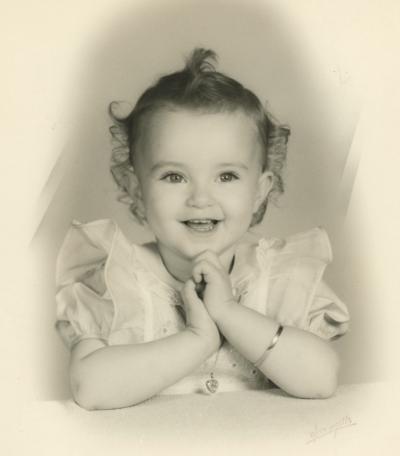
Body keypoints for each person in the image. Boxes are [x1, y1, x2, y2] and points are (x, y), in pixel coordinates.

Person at [55, 48, 350, 410]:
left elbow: (322, 380)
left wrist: (228, 312)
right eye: (174, 176)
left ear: (260, 190)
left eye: (226, 176)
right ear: (135, 188)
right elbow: (90, 389)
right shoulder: (115, 280)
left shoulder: (281, 279)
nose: (200, 197)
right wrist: (198, 339)